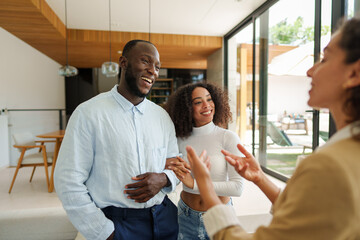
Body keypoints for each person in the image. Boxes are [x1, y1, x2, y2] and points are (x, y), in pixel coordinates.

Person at [185, 17, 360, 240]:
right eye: (197, 102)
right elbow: (307, 214)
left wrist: (205, 186)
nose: (310, 71)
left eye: (324, 59)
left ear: (354, 73)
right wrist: (260, 178)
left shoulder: (330, 164)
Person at [54, 39, 180, 240]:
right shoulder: (88, 113)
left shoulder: (161, 116)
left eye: (157, 67)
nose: (152, 71)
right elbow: (67, 180)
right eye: (145, 62)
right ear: (123, 63)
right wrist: (104, 232)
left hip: (165, 217)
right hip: (117, 223)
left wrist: (165, 178)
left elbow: (176, 163)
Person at [165, 82, 244, 240]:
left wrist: (195, 183)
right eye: (198, 102)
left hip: (220, 216)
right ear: (187, 108)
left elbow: (237, 188)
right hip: (185, 216)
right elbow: (173, 174)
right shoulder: (178, 139)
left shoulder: (227, 137)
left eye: (209, 99)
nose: (207, 106)